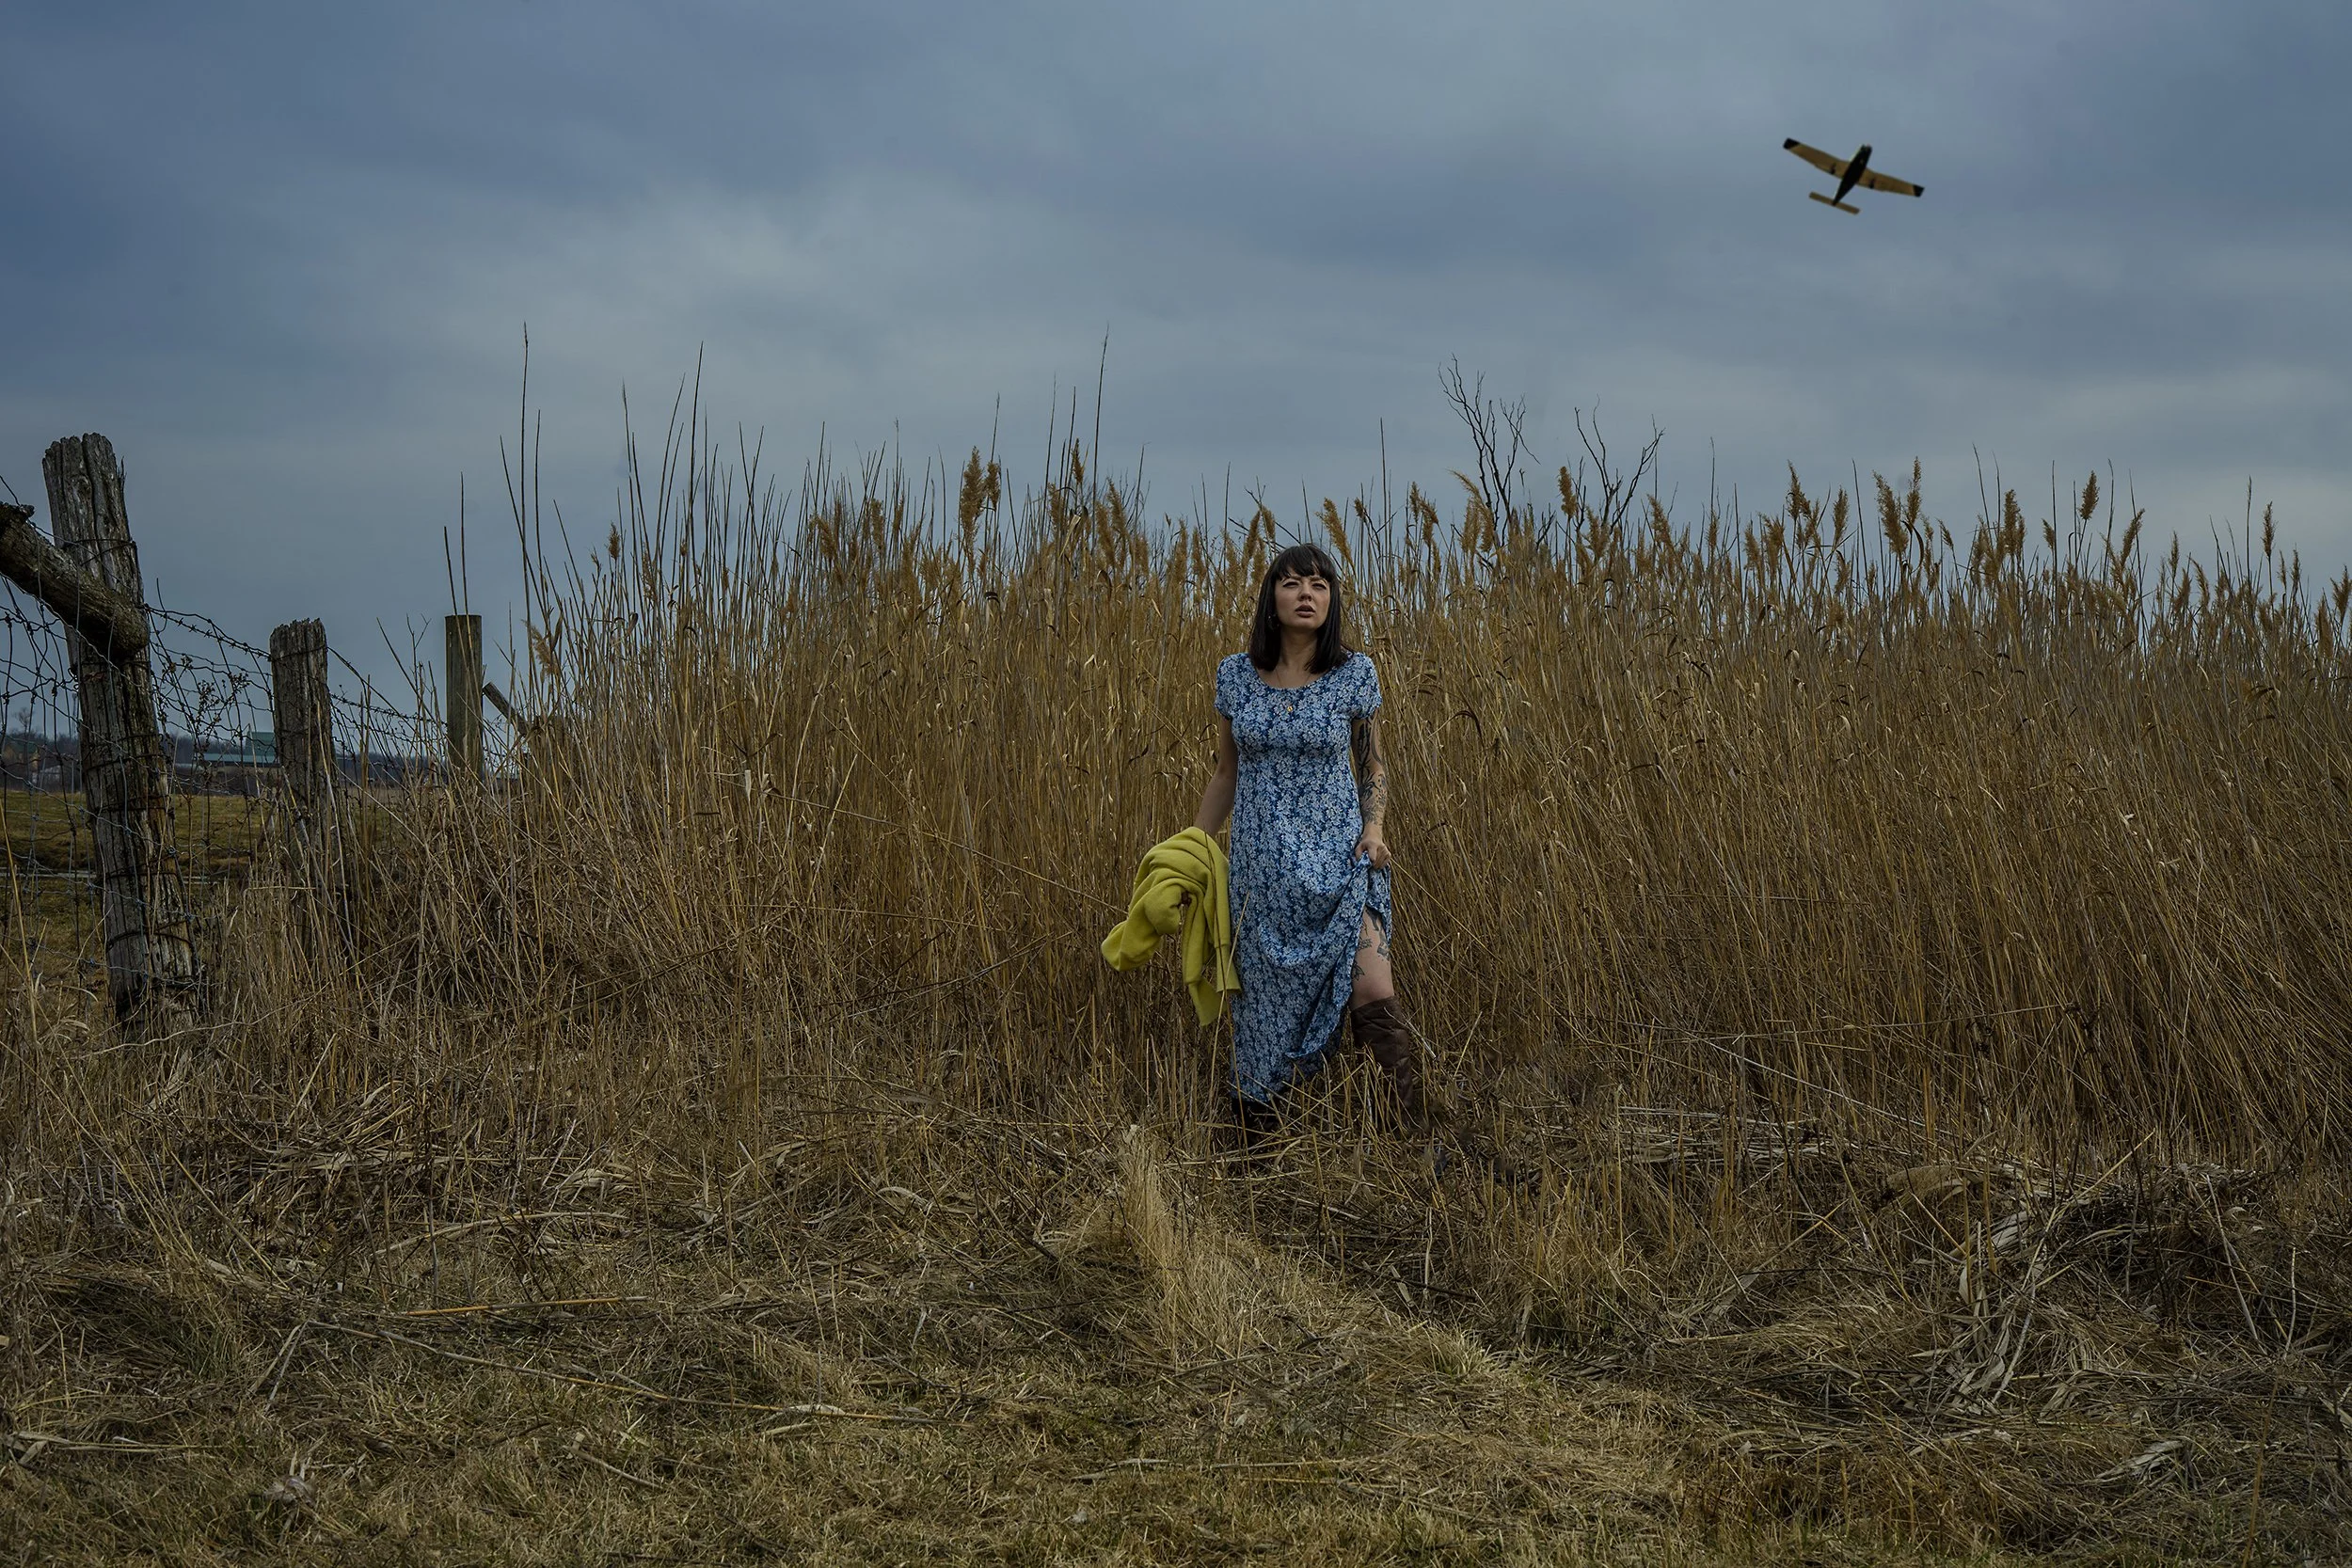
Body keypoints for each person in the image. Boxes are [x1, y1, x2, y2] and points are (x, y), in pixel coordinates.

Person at [1191, 544, 1428, 1137]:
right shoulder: (1236, 677)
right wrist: (1191, 848)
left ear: (1331, 600)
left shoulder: (1355, 674)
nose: (1306, 594)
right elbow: (1226, 775)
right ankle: (1256, 1140)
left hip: (1343, 862)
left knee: (1373, 984)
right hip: (1261, 877)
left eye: (1319, 585)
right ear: (1272, 598)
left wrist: (1374, 829)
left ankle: (1411, 1135)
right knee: (1264, 1013)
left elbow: (1372, 766)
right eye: (1292, 582)